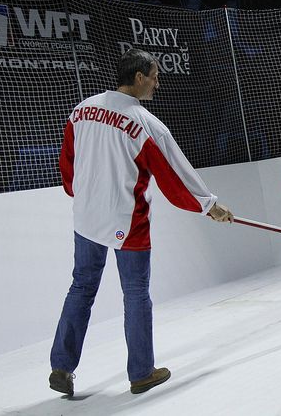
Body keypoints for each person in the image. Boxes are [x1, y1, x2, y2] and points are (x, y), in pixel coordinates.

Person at [50, 48, 234, 396]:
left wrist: (80, 193)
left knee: (81, 287)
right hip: (126, 219)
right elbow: (175, 177)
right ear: (138, 78)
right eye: (155, 76)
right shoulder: (146, 124)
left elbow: (68, 162)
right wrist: (210, 206)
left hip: (86, 217)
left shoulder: (80, 110)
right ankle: (141, 372)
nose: (157, 83)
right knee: (135, 293)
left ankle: (61, 365)